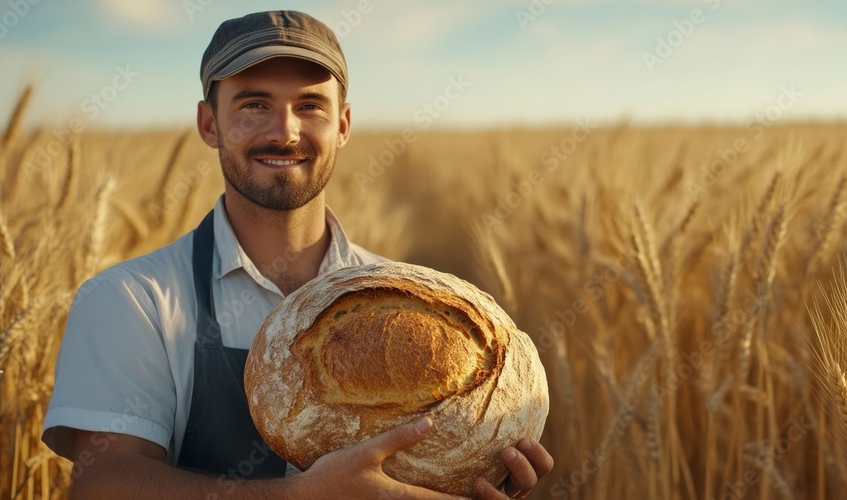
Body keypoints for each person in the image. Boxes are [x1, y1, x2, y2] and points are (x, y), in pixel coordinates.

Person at [41, 10, 553, 499]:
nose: (284, 132)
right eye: (253, 104)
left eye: (310, 105)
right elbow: (101, 485)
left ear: (343, 125)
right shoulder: (134, 300)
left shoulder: (401, 289)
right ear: (209, 124)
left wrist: (474, 476)